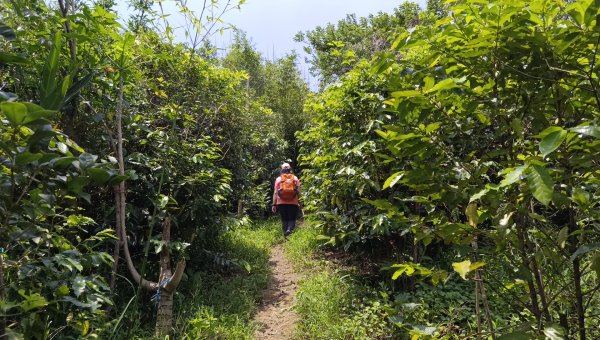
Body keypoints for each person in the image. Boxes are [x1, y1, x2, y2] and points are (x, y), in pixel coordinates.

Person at [271, 162, 301, 237]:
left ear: (281, 169)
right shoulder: (295, 178)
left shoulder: (278, 179)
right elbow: (299, 192)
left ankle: (285, 236)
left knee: (284, 219)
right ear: (290, 169)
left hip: (281, 202)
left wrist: (274, 204)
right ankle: (289, 230)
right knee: (292, 218)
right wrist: (300, 202)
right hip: (293, 202)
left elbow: (275, 193)